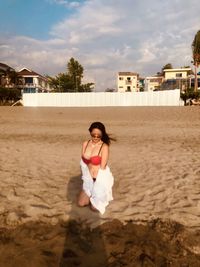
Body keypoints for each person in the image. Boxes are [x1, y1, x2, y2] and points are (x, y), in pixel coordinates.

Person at [78, 122, 114, 214]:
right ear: (90, 132)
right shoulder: (85, 144)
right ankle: (89, 194)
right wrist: (85, 179)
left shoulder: (104, 147)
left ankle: (99, 195)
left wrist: (97, 186)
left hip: (98, 180)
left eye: (99, 135)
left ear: (102, 135)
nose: (96, 137)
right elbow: (82, 163)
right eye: (94, 135)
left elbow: (102, 168)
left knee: (95, 208)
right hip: (88, 179)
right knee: (81, 203)